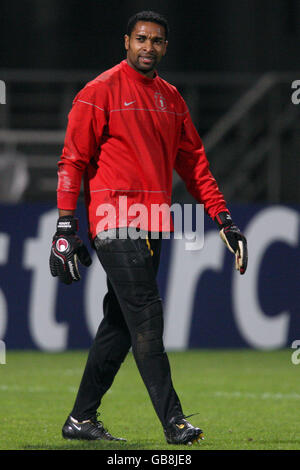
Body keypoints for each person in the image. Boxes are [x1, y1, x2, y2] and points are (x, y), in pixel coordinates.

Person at [49, 10, 247, 445]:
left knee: (120, 326)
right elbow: (72, 161)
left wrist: (223, 218)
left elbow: (194, 164)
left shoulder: (171, 99)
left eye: (157, 41)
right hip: (114, 222)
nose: (149, 47)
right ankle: (174, 423)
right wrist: (65, 225)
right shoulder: (99, 91)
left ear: (165, 48)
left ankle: (81, 419)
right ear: (126, 41)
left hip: (153, 225)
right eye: (141, 39)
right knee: (148, 320)